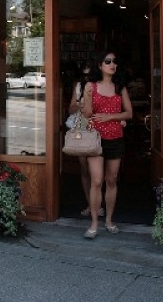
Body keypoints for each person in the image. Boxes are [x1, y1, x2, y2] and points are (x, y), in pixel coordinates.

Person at [79, 50, 133, 239]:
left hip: (115, 138)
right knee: (96, 181)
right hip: (96, 139)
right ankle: (94, 223)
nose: (112, 64)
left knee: (111, 181)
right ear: (100, 65)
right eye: (108, 61)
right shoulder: (91, 86)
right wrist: (86, 97)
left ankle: (109, 220)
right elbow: (86, 114)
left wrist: (111, 116)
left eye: (114, 61)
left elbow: (129, 113)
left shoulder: (120, 87)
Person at [67, 63, 105, 219]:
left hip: (98, 128)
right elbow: (70, 109)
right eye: (84, 75)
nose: (87, 78)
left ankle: (98, 205)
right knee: (84, 169)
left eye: (89, 75)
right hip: (81, 129)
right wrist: (80, 104)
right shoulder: (77, 87)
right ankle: (90, 204)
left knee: (97, 170)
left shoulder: (101, 86)